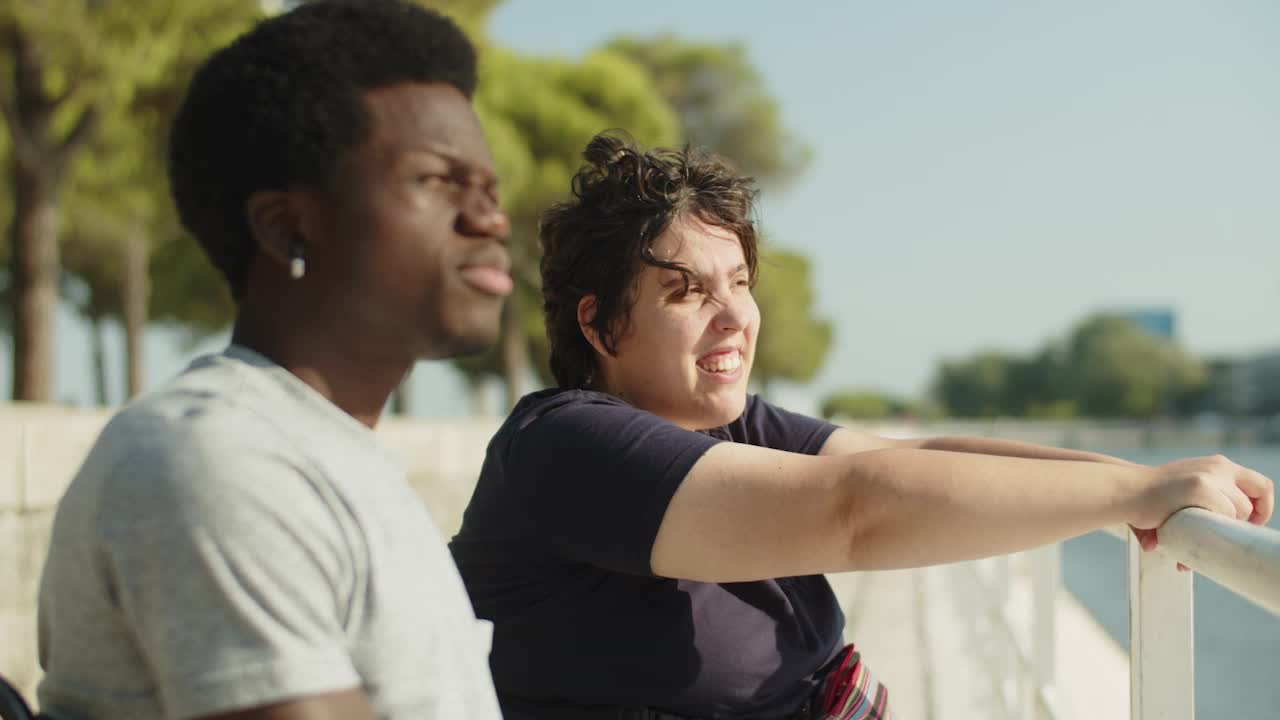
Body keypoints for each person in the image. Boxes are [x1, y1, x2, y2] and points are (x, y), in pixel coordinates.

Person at [448, 132, 1275, 720]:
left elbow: (915, 459)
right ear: (598, 325)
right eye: (687, 292)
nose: (734, 316)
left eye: (739, 281)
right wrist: (1131, 489)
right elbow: (857, 509)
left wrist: (1135, 483)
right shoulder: (561, 446)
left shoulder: (730, 428)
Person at [35, 2, 512, 718]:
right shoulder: (218, 459)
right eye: (438, 180)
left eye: (489, 188)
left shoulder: (341, 460)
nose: (490, 218)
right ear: (287, 226)